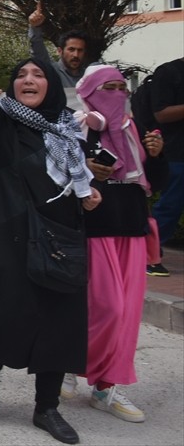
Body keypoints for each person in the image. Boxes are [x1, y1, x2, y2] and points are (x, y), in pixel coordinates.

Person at [0, 11, 98, 445]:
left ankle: (46, 408)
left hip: (60, 238)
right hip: (6, 237)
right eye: (21, 74)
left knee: (58, 324)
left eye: (38, 73)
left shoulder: (68, 132)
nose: (28, 78)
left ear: (51, 84)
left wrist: (88, 190)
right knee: (2, 311)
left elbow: (80, 174)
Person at [66, 66, 164, 423]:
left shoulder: (131, 128)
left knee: (128, 316)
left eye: (123, 87)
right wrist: (87, 168)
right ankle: (68, 360)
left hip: (132, 225)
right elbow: (57, 174)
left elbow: (153, 182)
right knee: (108, 308)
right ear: (90, 90)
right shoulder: (76, 126)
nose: (118, 92)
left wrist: (156, 155)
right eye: (109, 87)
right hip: (95, 227)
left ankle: (107, 386)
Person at [148, 57, 184, 274]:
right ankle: (149, 255)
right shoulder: (169, 71)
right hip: (176, 152)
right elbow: (160, 113)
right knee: (170, 206)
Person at [27, 1, 94, 87]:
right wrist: (35, 27)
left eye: (80, 50)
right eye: (71, 49)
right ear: (60, 51)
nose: (76, 55)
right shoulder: (50, 71)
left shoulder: (90, 77)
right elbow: (37, 49)